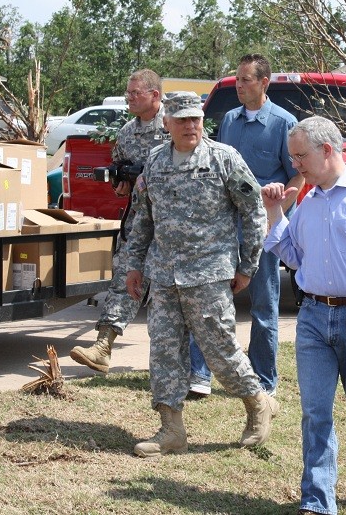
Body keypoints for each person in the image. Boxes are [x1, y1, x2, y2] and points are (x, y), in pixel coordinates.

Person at [124, 91, 278, 457]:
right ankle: (171, 429)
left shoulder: (224, 159)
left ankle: (258, 404)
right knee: (164, 352)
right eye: (182, 120)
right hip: (163, 276)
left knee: (221, 351)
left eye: (196, 119)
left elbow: (253, 212)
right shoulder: (156, 161)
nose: (191, 126)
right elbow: (143, 217)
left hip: (209, 276)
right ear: (167, 124)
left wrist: (247, 265)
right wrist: (134, 265)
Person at [262, 116, 346, 514]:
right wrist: (273, 211)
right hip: (314, 318)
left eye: (300, 156)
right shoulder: (308, 201)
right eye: (292, 156)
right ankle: (318, 501)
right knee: (315, 413)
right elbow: (292, 255)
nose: (295, 164)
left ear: (327, 150)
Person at [189, 53, 302, 398]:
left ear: (264, 83)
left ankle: (264, 382)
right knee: (207, 299)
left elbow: (297, 174)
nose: (239, 85)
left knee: (263, 305)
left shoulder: (284, 124)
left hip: (261, 229)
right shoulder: (229, 121)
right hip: (222, 226)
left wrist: (273, 219)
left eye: (245, 80)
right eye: (237, 80)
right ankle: (200, 376)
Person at [69, 69, 167, 373]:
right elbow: (118, 172)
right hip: (139, 220)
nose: (129, 98)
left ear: (154, 95)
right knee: (125, 277)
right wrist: (121, 181)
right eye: (128, 93)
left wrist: (148, 174)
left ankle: (184, 365)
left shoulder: (173, 125)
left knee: (174, 294)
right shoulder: (126, 132)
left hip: (175, 223)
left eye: (135, 93)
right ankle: (103, 346)